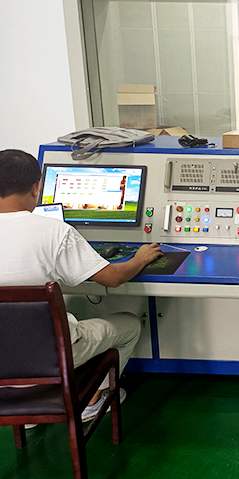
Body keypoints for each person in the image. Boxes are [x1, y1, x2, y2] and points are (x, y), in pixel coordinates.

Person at [0, 149, 163, 422]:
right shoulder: (54, 231)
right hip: (51, 354)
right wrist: (140, 258)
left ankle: (25, 414)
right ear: (37, 187)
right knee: (130, 325)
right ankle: (92, 401)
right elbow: (112, 278)